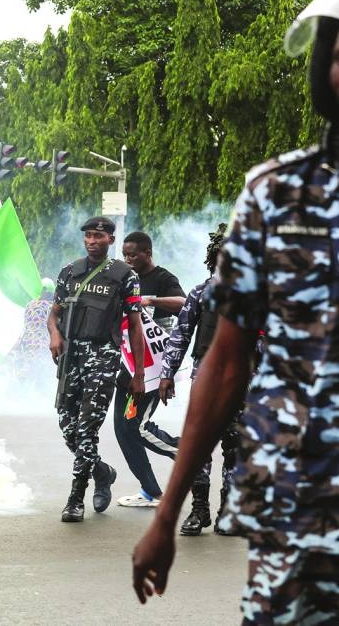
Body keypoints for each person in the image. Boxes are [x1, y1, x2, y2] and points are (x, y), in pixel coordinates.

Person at [133, 0, 339, 621]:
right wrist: (165, 515)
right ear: (325, 63)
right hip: (298, 507)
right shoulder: (275, 194)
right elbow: (225, 362)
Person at [47, 216, 145, 523]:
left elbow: (135, 326)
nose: (91, 241)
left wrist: (139, 375)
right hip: (71, 356)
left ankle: (76, 498)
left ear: (110, 241)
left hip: (103, 355)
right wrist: (55, 334)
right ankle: (103, 472)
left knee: (87, 428)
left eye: (98, 236)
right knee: (69, 429)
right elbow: (54, 314)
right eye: (88, 236)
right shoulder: (69, 272)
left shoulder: (124, 275)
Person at [156, 224, 236, 536]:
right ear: (212, 259)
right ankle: (199, 509)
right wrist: (167, 375)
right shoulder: (200, 294)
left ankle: (227, 510)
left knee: (235, 449)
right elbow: (180, 337)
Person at [113, 231, 186, 508]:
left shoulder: (164, 278)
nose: (128, 259)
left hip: (153, 369)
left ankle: (186, 452)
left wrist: (149, 301)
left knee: (137, 426)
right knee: (123, 429)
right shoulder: (123, 278)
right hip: (128, 367)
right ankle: (150, 491)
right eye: (125, 254)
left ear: (147, 253)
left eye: (133, 254)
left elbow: (184, 304)